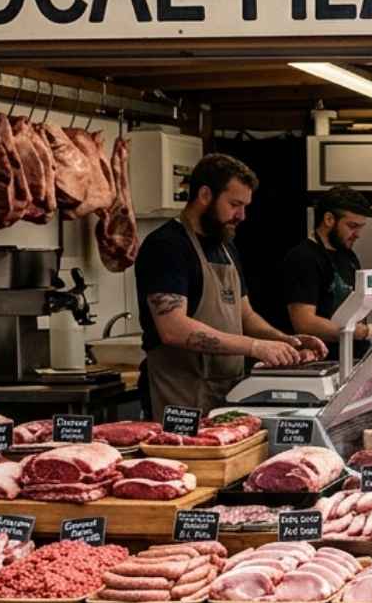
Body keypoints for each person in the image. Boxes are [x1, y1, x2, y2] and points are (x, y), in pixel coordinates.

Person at [136, 154, 324, 415]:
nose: (242, 215)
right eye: (235, 204)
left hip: (227, 394)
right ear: (204, 195)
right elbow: (173, 328)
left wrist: (285, 341)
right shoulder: (167, 246)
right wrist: (254, 347)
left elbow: (245, 315)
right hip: (180, 398)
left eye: (245, 206)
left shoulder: (224, 246)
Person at [278, 186, 372, 361]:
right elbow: (305, 322)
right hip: (321, 362)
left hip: (353, 358)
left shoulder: (349, 256)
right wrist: (364, 332)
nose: (357, 235)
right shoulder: (304, 257)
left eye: (360, 227)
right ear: (329, 219)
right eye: (352, 226)